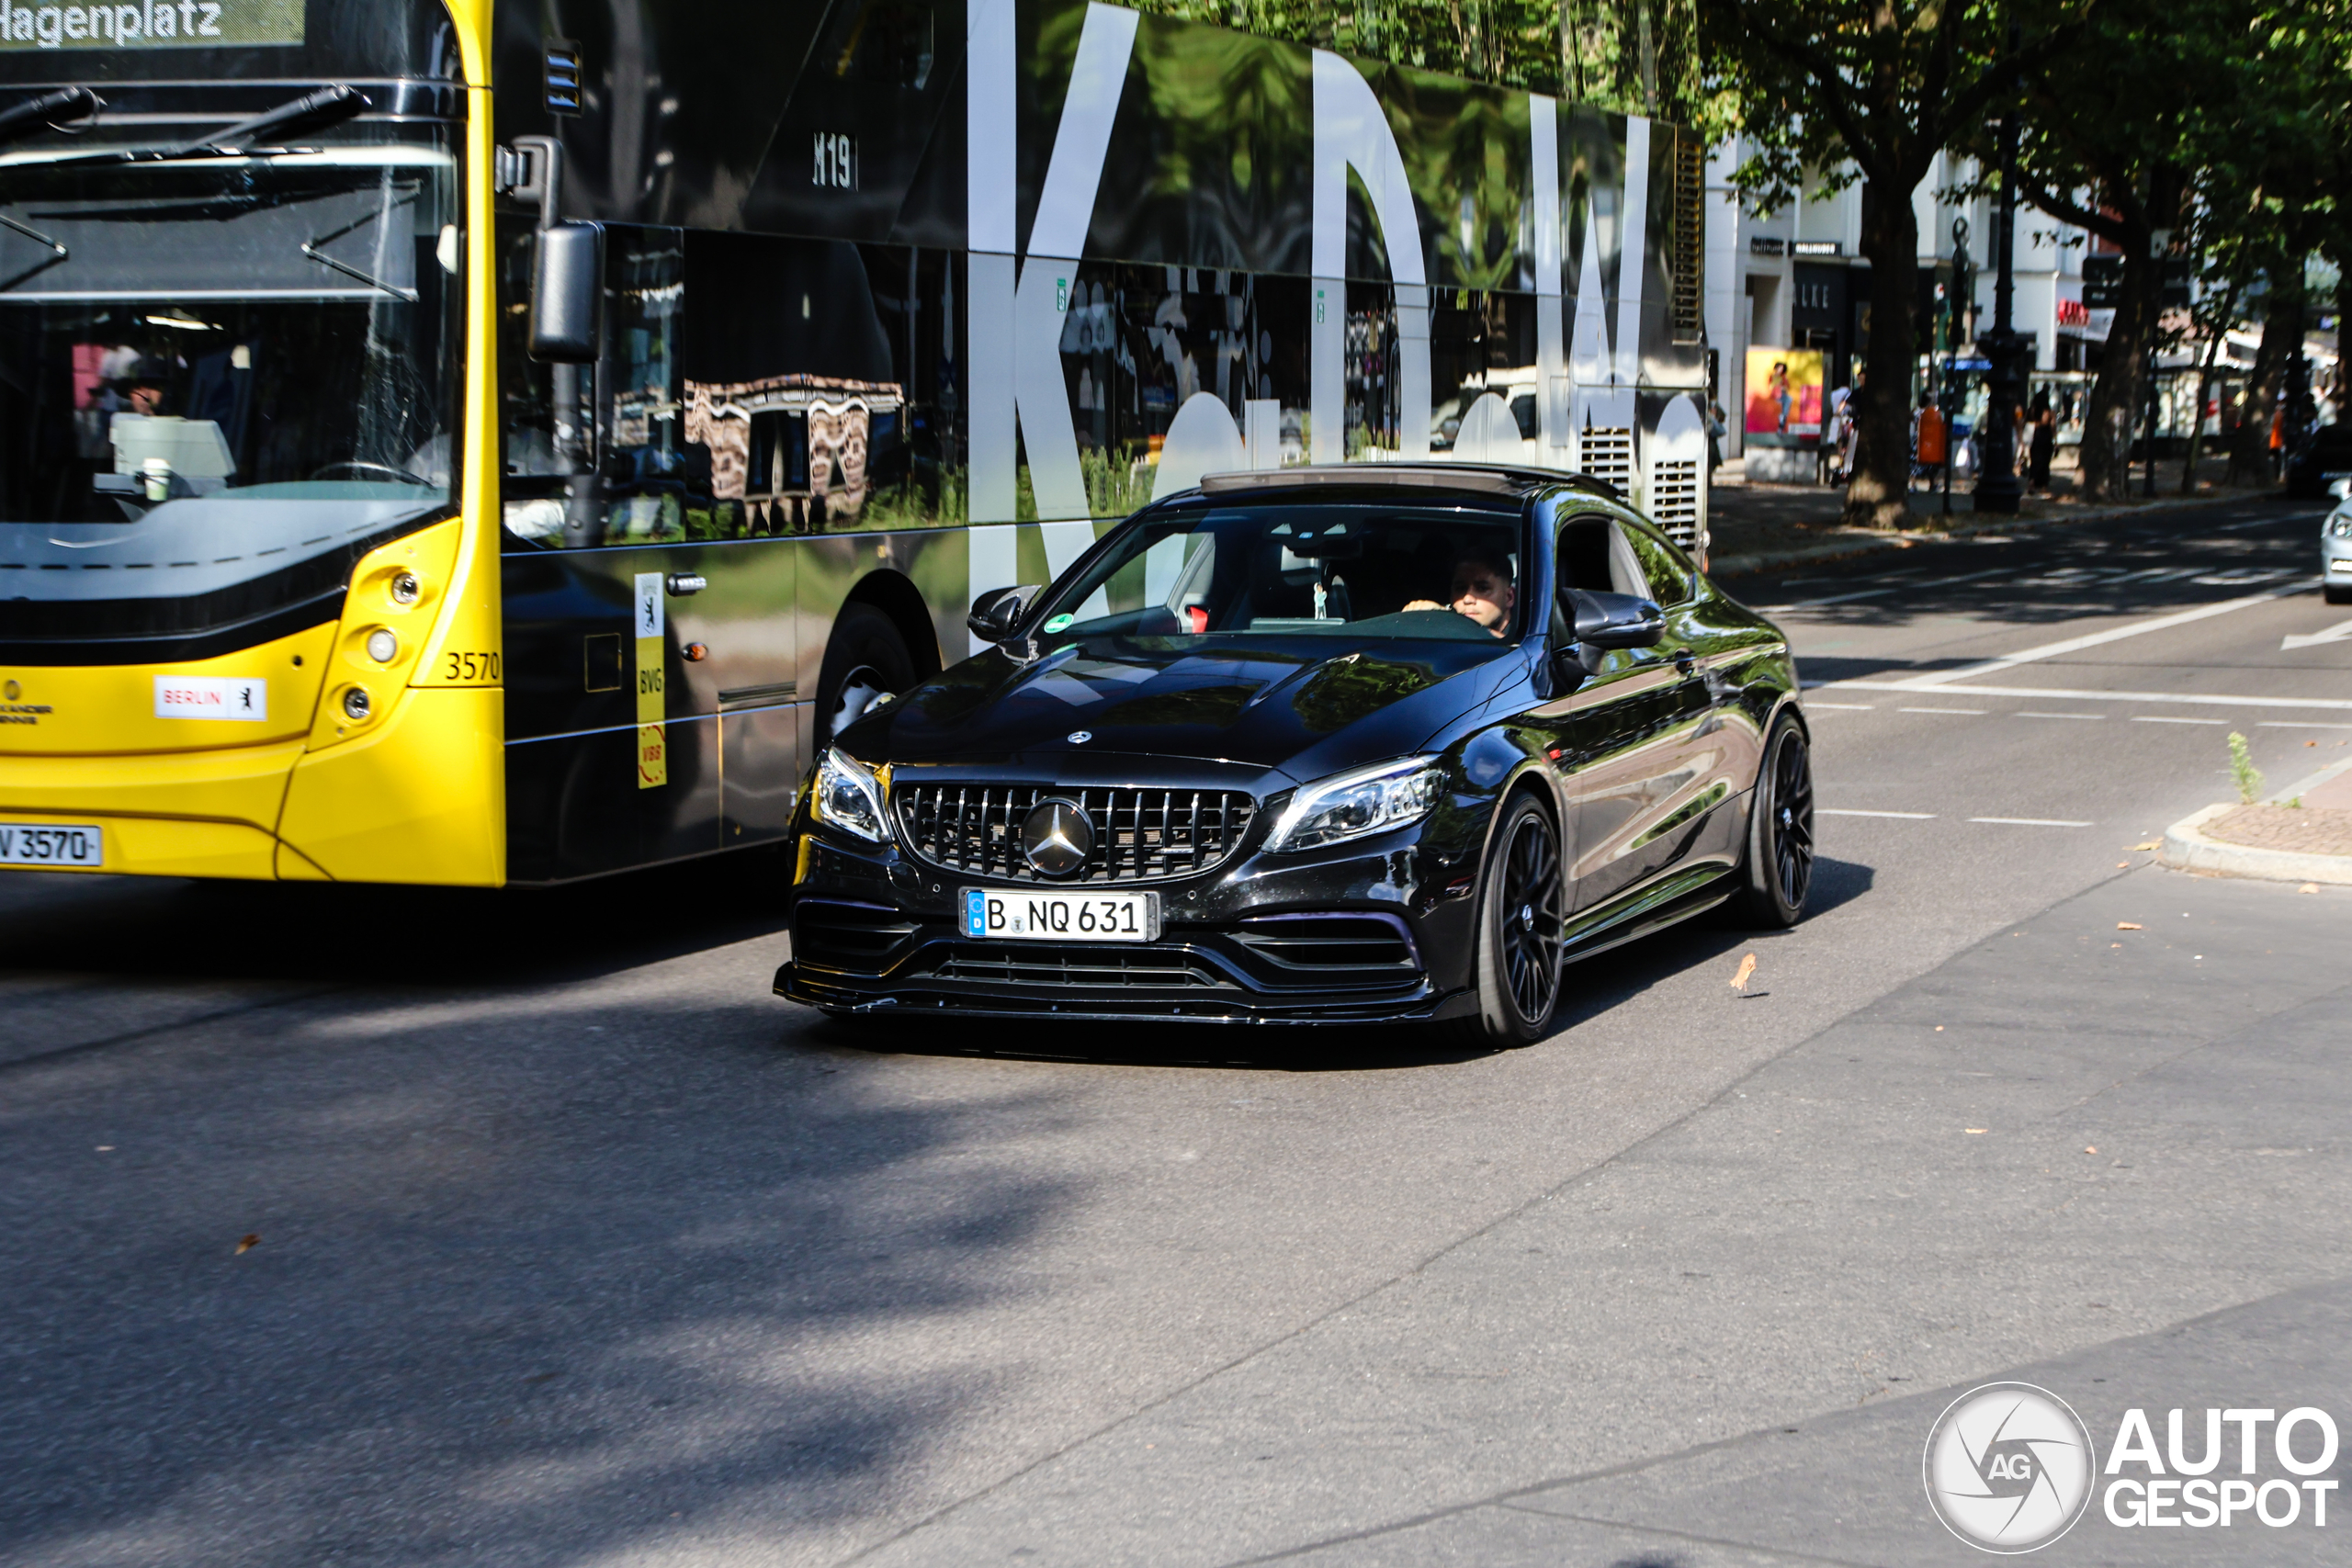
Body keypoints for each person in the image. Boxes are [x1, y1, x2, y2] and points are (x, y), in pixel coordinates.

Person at [1403, 547, 1515, 637]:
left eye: (1482, 589)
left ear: (1509, 597)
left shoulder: (1528, 639)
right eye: (1460, 588)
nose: (1467, 599)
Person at [2028, 391, 2056, 491]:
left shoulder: (2034, 410)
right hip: (2046, 437)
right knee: (2045, 462)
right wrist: (2056, 441)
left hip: (2037, 436)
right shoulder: (2049, 412)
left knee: (2035, 461)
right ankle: (2044, 486)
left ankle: (2032, 482)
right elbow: (2053, 427)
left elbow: (2031, 421)